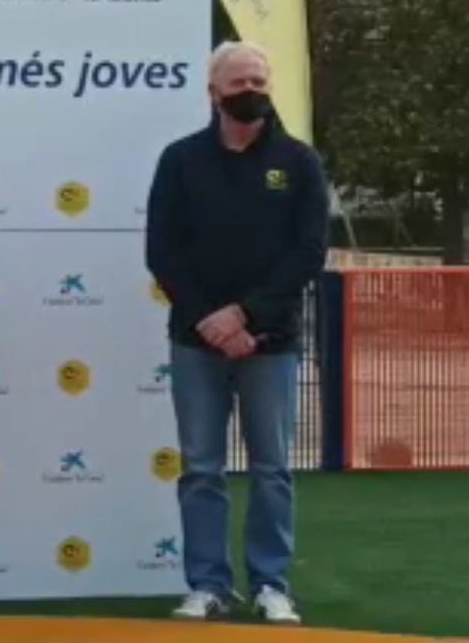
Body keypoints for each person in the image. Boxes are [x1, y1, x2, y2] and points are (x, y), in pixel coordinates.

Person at [144, 40, 328, 625]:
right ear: (213, 93)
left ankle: (271, 584)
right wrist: (210, 319)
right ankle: (208, 585)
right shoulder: (180, 160)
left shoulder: (299, 162)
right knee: (202, 468)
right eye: (238, 83)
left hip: (271, 343)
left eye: (258, 82)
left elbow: (308, 252)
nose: (250, 92)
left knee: (272, 469)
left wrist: (244, 316)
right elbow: (163, 251)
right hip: (196, 340)